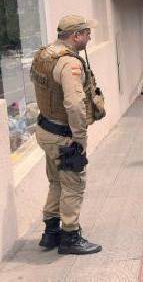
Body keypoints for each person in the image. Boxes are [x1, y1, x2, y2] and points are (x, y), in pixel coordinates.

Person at [30, 15, 105, 255]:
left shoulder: (44, 55)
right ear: (76, 35)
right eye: (86, 33)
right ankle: (70, 237)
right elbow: (74, 104)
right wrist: (80, 139)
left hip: (44, 129)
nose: (89, 37)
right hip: (63, 135)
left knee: (55, 181)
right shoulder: (69, 64)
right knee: (73, 184)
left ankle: (51, 232)